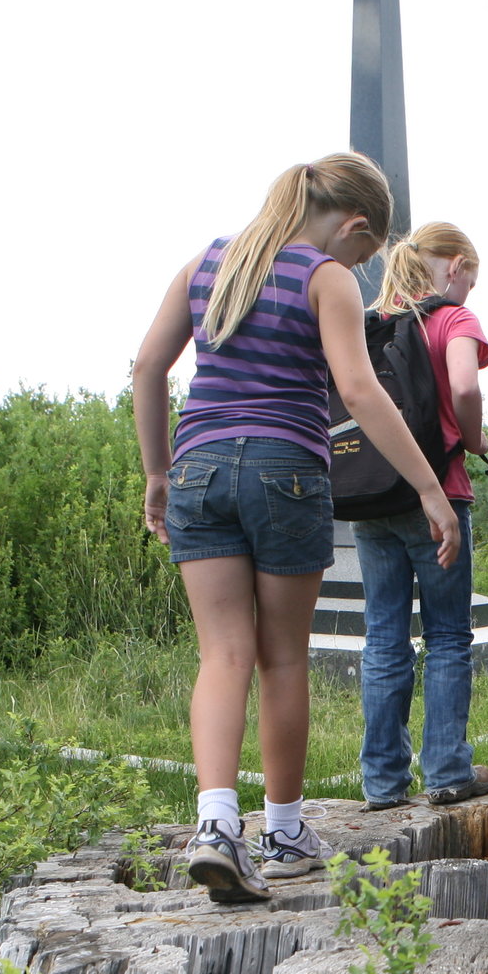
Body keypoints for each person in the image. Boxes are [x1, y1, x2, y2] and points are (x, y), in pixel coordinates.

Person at [133, 153, 458, 905]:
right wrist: (428, 489)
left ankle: (216, 826)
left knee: (223, 653)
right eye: (364, 254)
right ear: (354, 227)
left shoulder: (207, 264)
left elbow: (149, 365)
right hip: (286, 469)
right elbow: (357, 389)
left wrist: (157, 473)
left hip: (199, 467)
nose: (359, 266)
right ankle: (282, 833)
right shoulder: (325, 276)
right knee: (282, 658)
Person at [355, 222, 488, 812]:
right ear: (458, 265)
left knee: (384, 636)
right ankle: (446, 771)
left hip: (371, 496)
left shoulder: (373, 320)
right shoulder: (453, 320)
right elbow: (465, 385)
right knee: (445, 636)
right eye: (473, 278)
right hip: (438, 495)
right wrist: (473, 439)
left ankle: (383, 783)